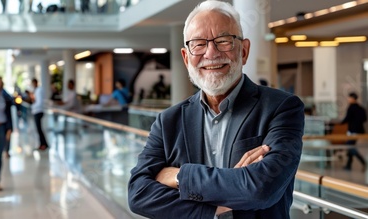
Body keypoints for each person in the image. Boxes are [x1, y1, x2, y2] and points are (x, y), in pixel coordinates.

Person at [127, 1, 304, 218]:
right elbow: (139, 194)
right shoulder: (168, 121)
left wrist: (180, 176)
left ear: (244, 50)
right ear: (186, 57)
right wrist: (215, 208)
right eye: (199, 44)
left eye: (223, 41)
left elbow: (261, 189)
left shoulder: (282, 108)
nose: (211, 53)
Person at [340, 92, 367, 171]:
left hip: (352, 130)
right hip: (358, 130)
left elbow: (347, 118)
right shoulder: (361, 108)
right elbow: (364, 119)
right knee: (350, 146)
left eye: (349, 98)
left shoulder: (351, 108)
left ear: (352, 98)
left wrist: (340, 123)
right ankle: (348, 165)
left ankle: (363, 161)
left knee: (350, 146)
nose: (348, 99)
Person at [30, 78, 49, 151]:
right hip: (36, 111)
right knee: (38, 129)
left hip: (38, 111)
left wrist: (33, 106)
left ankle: (44, 144)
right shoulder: (36, 91)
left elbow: (39, 102)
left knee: (39, 129)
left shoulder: (39, 90)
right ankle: (42, 143)